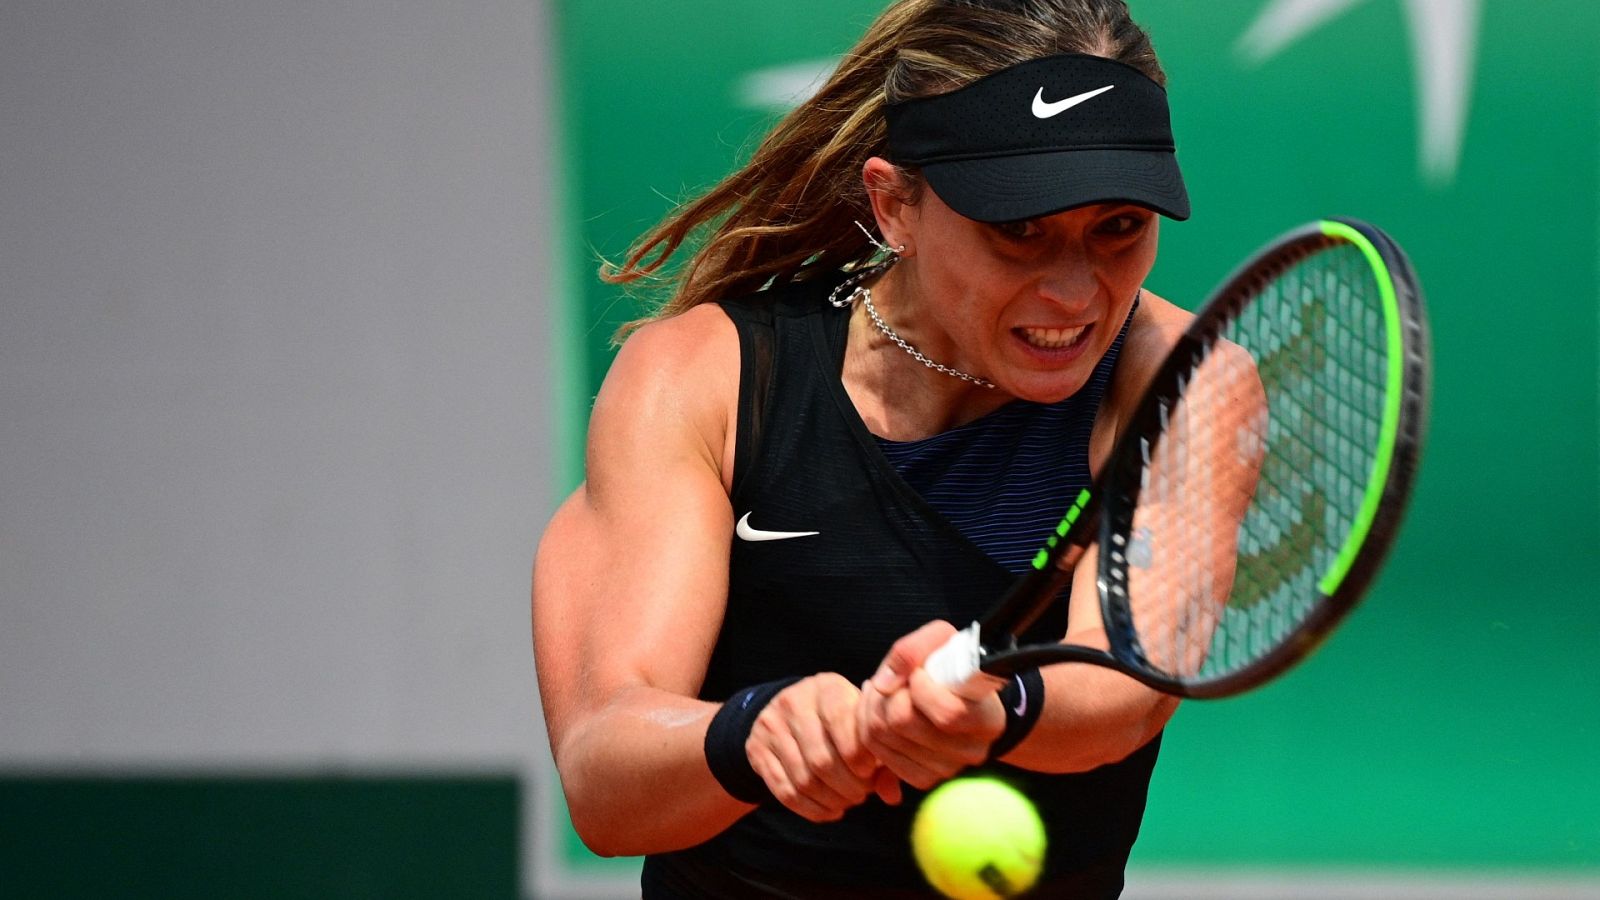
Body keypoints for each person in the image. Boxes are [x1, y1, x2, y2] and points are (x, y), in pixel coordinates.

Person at [532, 1, 1198, 895]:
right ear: (895, 207)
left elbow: (1123, 688)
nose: (1076, 291)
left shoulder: (1181, 380)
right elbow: (606, 780)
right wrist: (752, 732)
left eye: (1119, 226)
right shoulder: (702, 377)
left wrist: (995, 706)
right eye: (1020, 230)